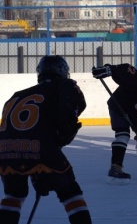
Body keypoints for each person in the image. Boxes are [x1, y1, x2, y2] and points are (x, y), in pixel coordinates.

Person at [0, 55, 92, 224]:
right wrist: (57, 142)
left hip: (5, 150)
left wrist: (35, 167)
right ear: (63, 71)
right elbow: (68, 115)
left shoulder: (16, 95)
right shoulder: (66, 85)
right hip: (41, 148)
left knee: (14, 195)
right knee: (70, 193)